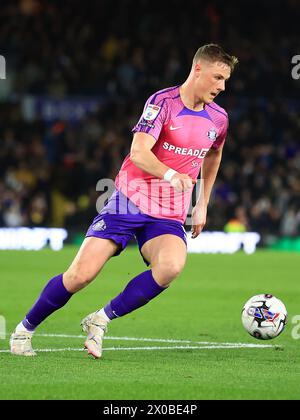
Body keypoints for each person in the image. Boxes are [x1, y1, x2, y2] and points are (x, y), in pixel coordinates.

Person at [10, 44, 238, 358]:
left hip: (168, 212)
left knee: (171, 267)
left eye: (226, 80)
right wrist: (172, 175)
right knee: (81, 275)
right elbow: (139, 153)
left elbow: (214, 155)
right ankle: (24, 330)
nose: (222, 86)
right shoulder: (162, 103)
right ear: (198, 69)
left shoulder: (219, 118)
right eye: (217, 77)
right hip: (129, 201)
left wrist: (202, 202)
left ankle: (99, 320)